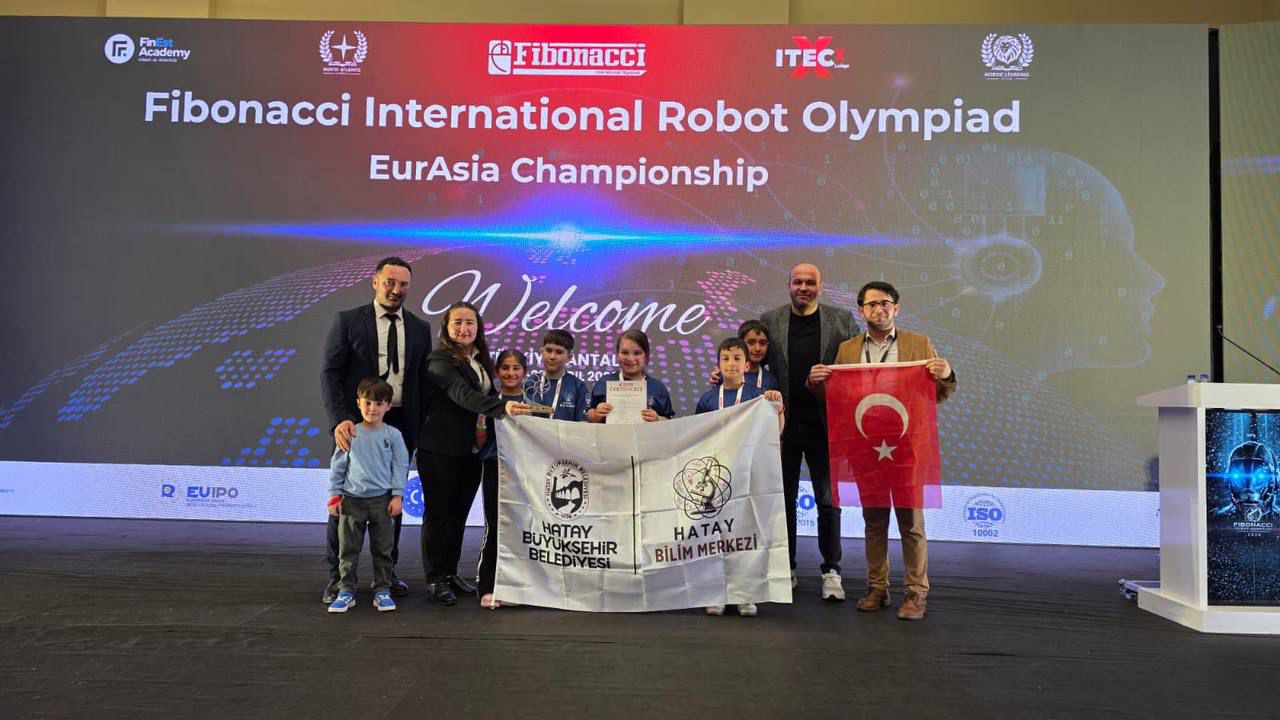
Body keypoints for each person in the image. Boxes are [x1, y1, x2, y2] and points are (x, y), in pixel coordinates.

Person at [807, 281, 957, 621]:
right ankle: (877, 587)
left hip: (906, 446)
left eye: (885, 303)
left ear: (896, 308)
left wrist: (947, 375)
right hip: (865, 445)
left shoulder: (918, 344)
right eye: (872, 304)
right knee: (874, 521)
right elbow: (837, 398)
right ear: (861, 311)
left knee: (910, 522)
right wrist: (815, 383)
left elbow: (937, 394)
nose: (879, 309)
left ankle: (916, 592)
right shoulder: (847, 349)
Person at [320, 256, 431, 604]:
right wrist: (340, 419)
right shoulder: (348, 321)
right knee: (344, 504)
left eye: (403, 284)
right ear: (375, 282)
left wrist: (420, 427)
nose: (396, 290)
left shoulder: (420, 328)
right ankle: (337, 579)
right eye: (390, 282)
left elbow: (422, 382)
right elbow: (330, 373)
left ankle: (386, 574)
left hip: (400, 424)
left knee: (391, 502)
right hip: (355, 424)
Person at [419, 302, 532, 605]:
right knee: (439, 515)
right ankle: (435, 578)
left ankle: (450, 572)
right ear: (446, 327)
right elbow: (462, 395)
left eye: (469, 322)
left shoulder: (480, 360)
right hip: (439, 448)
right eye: (457, 322)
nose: (464, 328)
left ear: (478, 327)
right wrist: (502, 407)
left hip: (470, 451)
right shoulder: (439, 360)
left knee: (458, 515)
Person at [760, 263, 856, 600]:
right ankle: (786, 568)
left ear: (821, 286)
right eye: (798, 282)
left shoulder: (841, 320)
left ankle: (832, 571)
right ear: (788, 285)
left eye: (810, 282)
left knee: (828, 502)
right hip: (782, 427)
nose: (803, 287)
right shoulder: (770, 320)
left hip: (826, 426)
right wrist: (722, 374)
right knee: (783, 501)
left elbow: (857, 366)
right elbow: (752, 358)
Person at [696, 337, 784, 618]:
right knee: (716, 536)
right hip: (717, 476)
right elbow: (696, 435)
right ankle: (716, 592)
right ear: (718, 365)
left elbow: (777, 432)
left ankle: (745, 593)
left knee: (747, 534)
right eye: (725, 358)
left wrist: (778, 406)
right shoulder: (708, 398)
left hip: (748, 474)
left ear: (747, 365)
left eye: (736, 358)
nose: (731, 364)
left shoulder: (760, 396)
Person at [326, 378, 409, 614]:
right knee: (348, 549)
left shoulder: (393, 435)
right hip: (351, 501)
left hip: (382, 501)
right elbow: (338, 467)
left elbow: (400, 466)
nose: (372, 408)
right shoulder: (350, 433)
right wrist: (334, 495)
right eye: (367, 403)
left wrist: (397, 495)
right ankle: (346, 590)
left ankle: (382, 590)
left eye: (379, 403)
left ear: (388, 406)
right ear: (358, 403)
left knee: (383, 549)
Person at [476, 349, 529, 609]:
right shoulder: (488, 402)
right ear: (497, 372)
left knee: (524, 526)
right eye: (505, 368)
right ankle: (488, 585)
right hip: (494, 467)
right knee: (495, 524)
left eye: (516, 368)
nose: (511, 373)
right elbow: (480, 442)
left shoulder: (532, 403)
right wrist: (480, 421)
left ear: (525, 372)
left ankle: (521, 586)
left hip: (526, 471)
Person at [586, 329, 675, 423]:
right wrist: (595, 414)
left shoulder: (658, 388)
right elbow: (588, 415)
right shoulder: (604, 383)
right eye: (625, 352)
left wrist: (658, 419)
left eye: (637, 353)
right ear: (617, 353)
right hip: (610, 433)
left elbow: (669, 421)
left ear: (646, 355)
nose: (630, 358)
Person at [525, 329, 590, 421]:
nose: (552, 357)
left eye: (559, 352)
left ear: (569, 357)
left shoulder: (578, 386)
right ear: (542, 352)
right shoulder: (530, 383)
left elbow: (582, 422)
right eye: (548, 350)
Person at [707, 319, 780, 392]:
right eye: (751, 343)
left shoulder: (770, 380)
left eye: (763, 343)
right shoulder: (727, 374)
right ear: (740, 344)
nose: (757, 348)